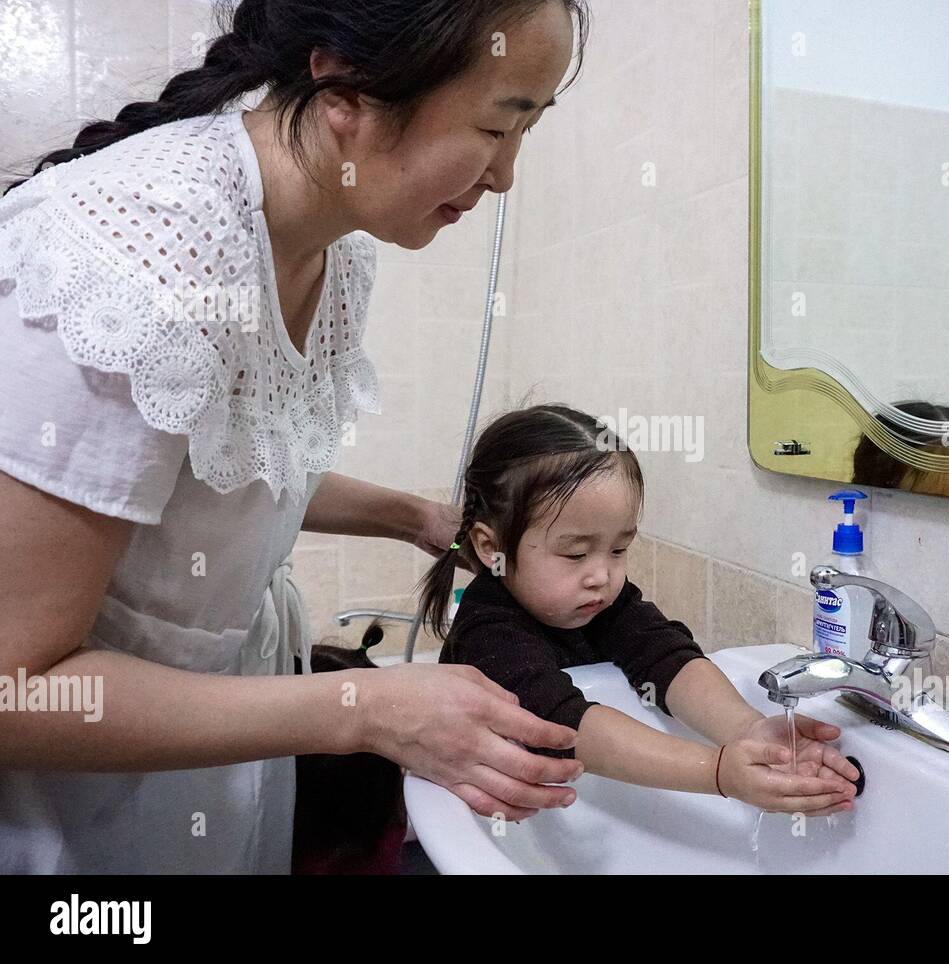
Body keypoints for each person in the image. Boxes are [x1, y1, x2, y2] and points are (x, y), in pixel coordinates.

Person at [0, 0, 593, 873]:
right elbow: (15, 689)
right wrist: (361, 708)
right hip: (72, 786)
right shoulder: (133, 255)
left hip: (222, 729)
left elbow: (215, 466)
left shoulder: (337, 250)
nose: (506, 175)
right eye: (496, 124)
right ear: (344, 85)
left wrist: (409, 517)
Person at [419, 405, 862, 814]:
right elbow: (564, 724)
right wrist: (718, 772)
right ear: (491, 547)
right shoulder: (487, 632)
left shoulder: (601, 600)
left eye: (618, 549)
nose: (602, 575)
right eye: (575, 554)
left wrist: (746, 729)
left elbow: (666, 658)